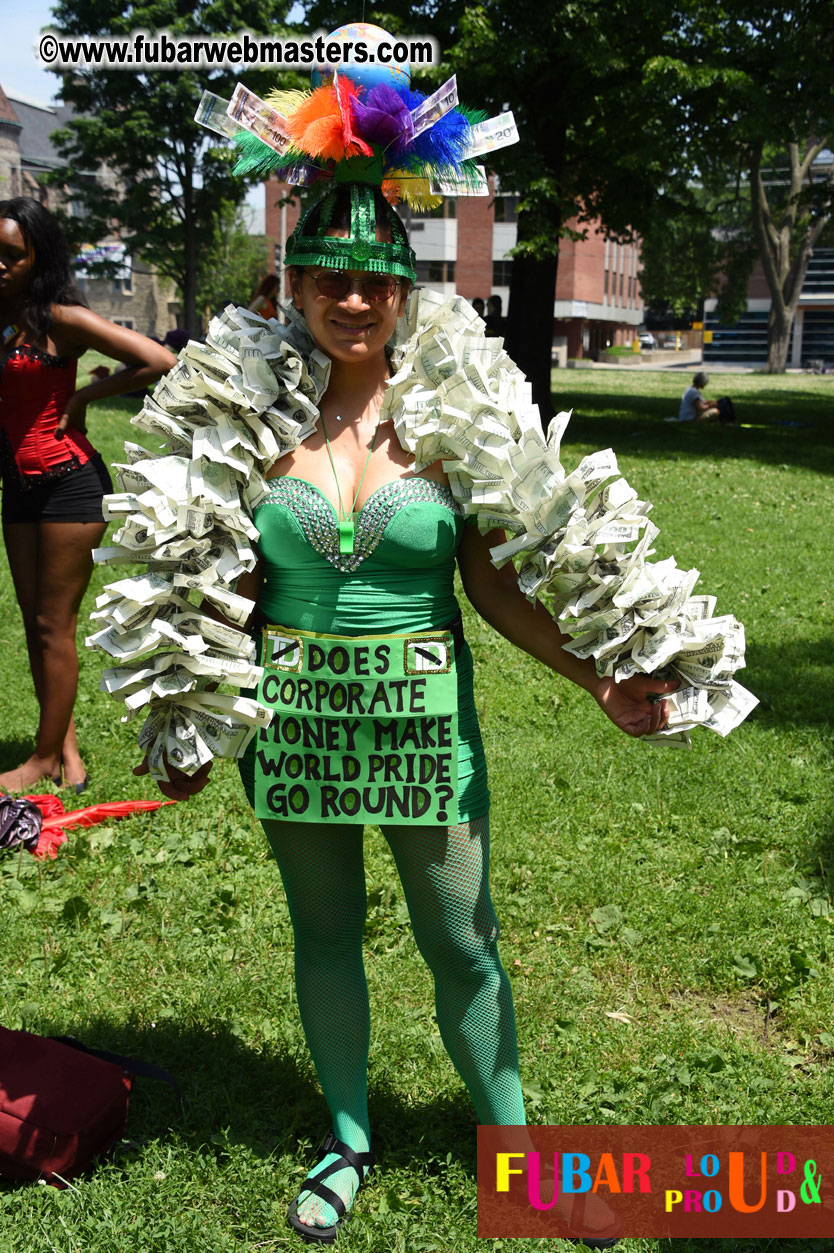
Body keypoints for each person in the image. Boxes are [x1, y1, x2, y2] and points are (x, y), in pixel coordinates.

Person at [127, 181, 676, 1246]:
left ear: (404, 291)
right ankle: (344, 1137)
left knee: (463, 938)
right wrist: (186, 716)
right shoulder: (246, 417)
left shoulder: (447, 411)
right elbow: (221, 583)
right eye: (328, 278)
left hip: (424, 724)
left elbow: (494, 581)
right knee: (324, 931)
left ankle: (522, 1161)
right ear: (291, 285)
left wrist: (594, 675)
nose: (352, 299)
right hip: (294, 729)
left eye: (375, 280)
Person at [0, 198, 175, 793]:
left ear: (36, 258)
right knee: (36, 624)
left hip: (68, 485)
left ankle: (43, 761)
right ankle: (66, 757)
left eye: (11, 256)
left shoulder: (57, 319)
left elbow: (157, 359)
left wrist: (80, 402)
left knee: (55, 624)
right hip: (17, 488)